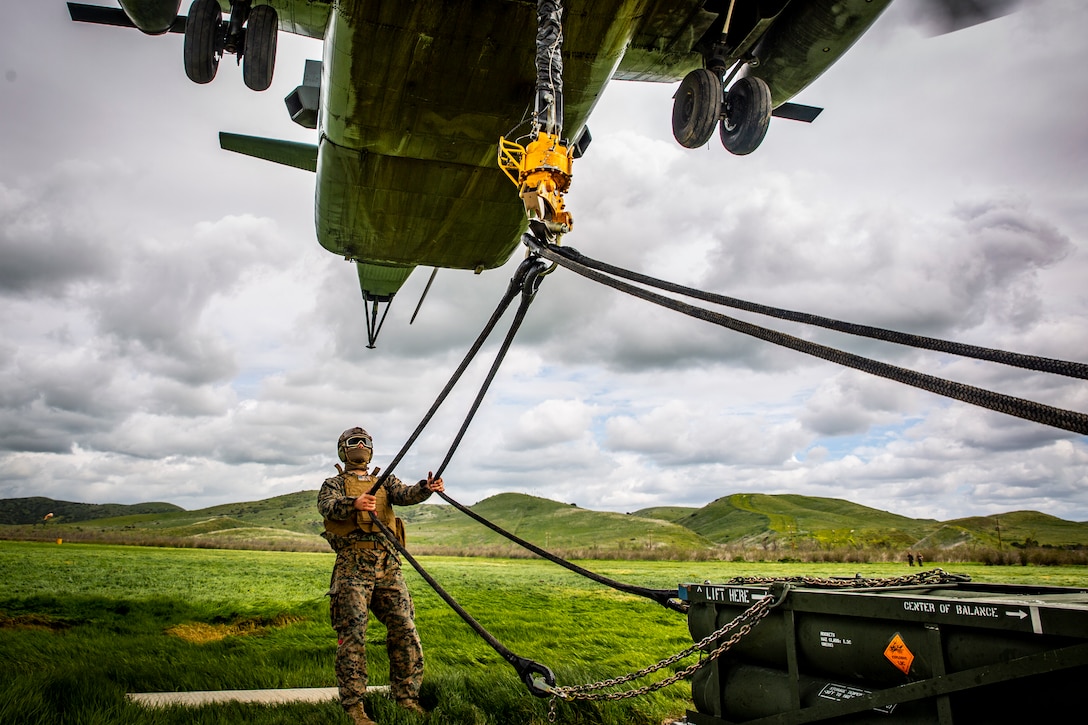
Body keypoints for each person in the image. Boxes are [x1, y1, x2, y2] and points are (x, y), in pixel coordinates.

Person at [318, 426, 445, 725]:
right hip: (352, 566)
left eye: (365, 441)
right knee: (353, 635)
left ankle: (406, 698)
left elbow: (407, 494)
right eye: (353, 442)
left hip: (388, 564)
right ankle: (354, 707)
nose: (360, 445)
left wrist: (426, 487)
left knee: (404, 627)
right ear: (343, 449)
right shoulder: (333, 483)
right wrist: (354, 503)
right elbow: (327, 507)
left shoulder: (384, 481)